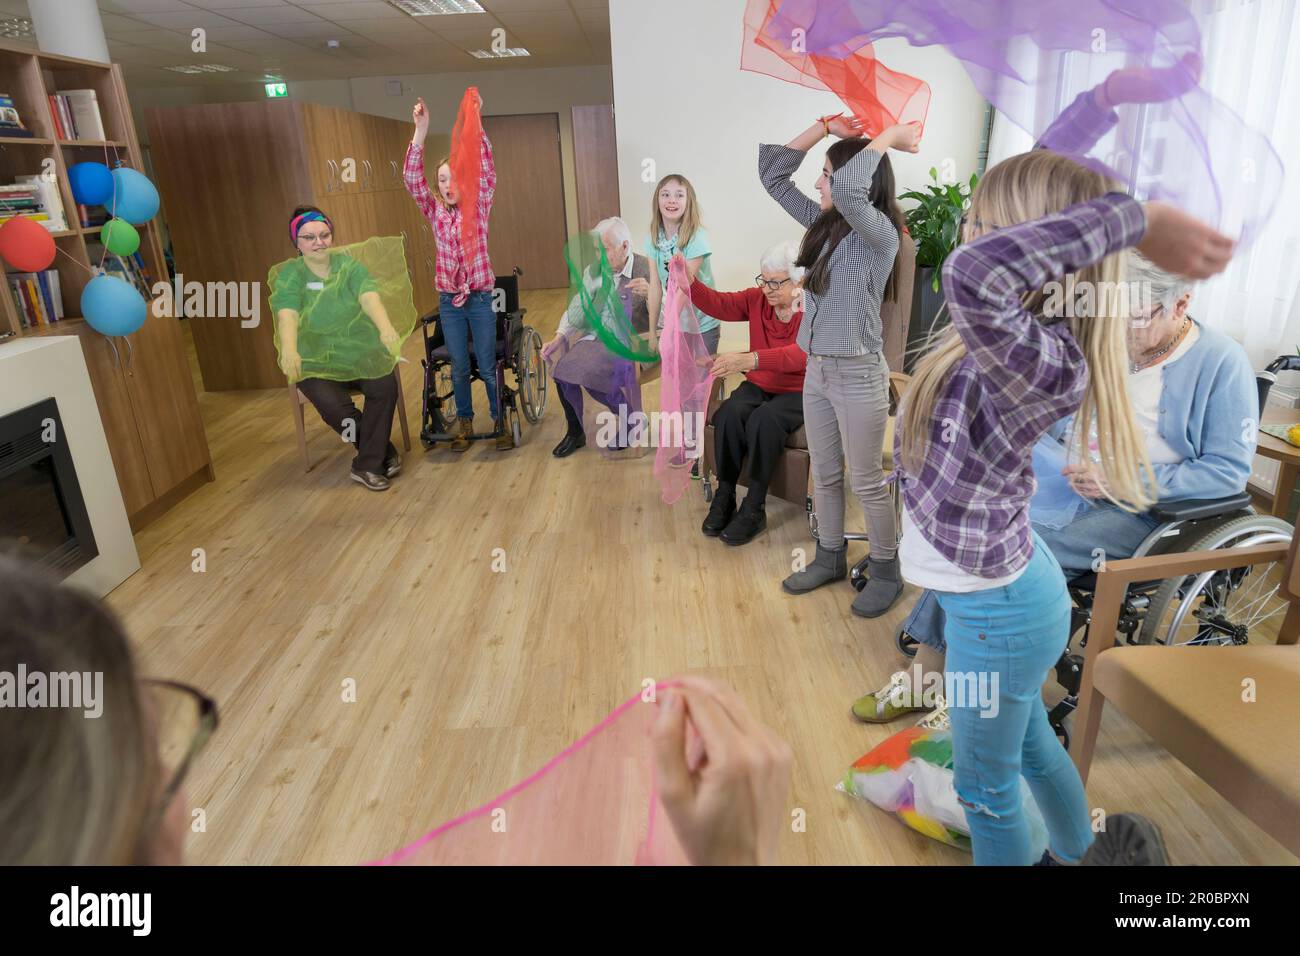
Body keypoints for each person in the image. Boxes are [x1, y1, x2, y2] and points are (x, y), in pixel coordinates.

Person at [890, 142, 1233, 866]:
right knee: (1033, 746)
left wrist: (1130, 218)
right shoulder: (999, 338)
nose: (970, 241)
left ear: (1039, 256)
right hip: (1009, 595)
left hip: (1000, 616)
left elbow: (971, 271)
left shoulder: (1043, 358)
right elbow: (994, 254)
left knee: (986, 788)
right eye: (976, 224)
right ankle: (1082, 854)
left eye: (991, 229)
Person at [855, 251, 1257, 721]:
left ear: (1181, 304)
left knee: (1019, 549)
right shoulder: (1109, 340)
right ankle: (928, 674)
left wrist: (1119, 479)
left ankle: (971, 692)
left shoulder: (1222, 363)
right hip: (1070, 480)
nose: (1122, 331)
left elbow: (1227, 473)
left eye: (1137, 317)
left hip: (1147, 510)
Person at [760, 113, 915, 617]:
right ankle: (829, 556)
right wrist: (825, 126)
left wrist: (887, 137)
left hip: (858, 373)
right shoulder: (824, 227)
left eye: (826, 174)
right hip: (818, 371)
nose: (818, 183)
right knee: (825, 472)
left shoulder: (881, 236)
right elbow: (772, 173)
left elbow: (849, 189)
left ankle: (887, 570)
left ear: (856, 181)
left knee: (865, 480)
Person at [404, 91, 511, 452]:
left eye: (454, 178)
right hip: (450, 301)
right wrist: (421, 131)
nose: (449, 186)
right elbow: (411, 180)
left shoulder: (478, 207)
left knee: (485, 360)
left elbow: (487, 167)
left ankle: (500, 419)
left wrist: (475, 122)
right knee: (460, 365)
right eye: (443, 181)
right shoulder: (434, 212)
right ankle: (464, 423)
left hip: (480, 300)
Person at [273, 205, 403, 491]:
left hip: (357, 349)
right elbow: (287, 315)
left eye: (324, 235)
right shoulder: (290, 276)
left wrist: (385, 328)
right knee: (335, 407)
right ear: (297, 241)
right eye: (309, 237)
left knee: (384, 386)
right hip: (314, 359)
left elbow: (369, 297)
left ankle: (366, 464)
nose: (319, 242)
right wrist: (290, 349)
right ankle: (381, 452)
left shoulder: (349, 266)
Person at [687, 241, 808, 545]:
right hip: (760, 383)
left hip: (801, 390)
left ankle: (754, 508)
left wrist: (749, 359)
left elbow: (800, 355)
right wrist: (690, 283)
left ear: (798, 281)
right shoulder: (757, 300)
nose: (767, 289)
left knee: (764, 420)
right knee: (729, 413)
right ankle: (725, 494)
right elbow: (720, 304)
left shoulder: (812, 307)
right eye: (763, 280)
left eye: (775, 282)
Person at [542, 217, 658, 458]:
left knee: (588, 371)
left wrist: (651, 295)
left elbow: (668, 318)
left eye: (604, 250)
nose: (600, 257)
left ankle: (630, 420)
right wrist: (559, 336)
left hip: (635, 341)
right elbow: (578, 306)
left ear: (624, 246)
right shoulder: (594, 271)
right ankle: (576, 432)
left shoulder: (648, 268)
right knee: (563, 368)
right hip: (599, 338)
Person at [644, 174, 722, 355]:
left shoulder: (697, 238)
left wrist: (668, 331)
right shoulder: (653, 238)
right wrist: (653, 333)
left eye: (679, 195)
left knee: (702, 379)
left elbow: (684, 288)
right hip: (677, 322)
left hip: (704, 322)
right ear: (657, 200)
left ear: (689, 202)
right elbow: (655, 286)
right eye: (665, 194)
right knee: (681, 379)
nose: (672, 200)